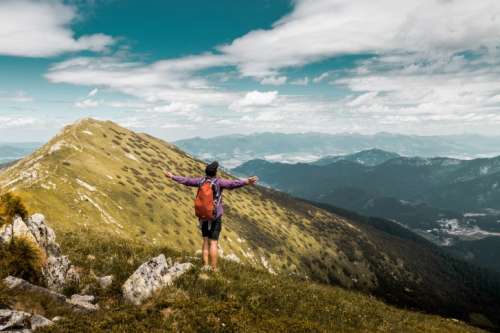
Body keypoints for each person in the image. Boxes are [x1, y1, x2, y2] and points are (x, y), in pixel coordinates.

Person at [165, 161, 258, 271]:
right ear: (215, 172)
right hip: (215, 217)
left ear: (206, 172)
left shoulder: (201, 181)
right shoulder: (219, 182)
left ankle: (205, 266)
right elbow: (233, 184)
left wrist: (172, 176)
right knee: (213, 242)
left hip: (203, 216)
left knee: (205, 241)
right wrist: (247, 181)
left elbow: (186, 180)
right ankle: (213, 269)